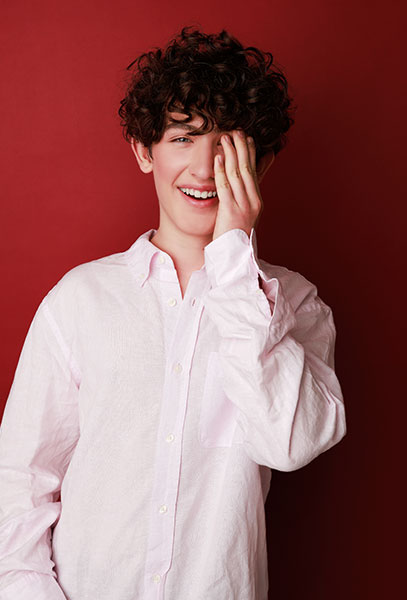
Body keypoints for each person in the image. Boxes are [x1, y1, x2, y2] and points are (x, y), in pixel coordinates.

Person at [0, 26, 346, 600]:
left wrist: (233, 262)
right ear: (145, 151)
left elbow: (290, 443)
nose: (205, 169)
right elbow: (19, 481)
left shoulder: (294, 304)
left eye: (227, 144)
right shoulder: (79, 301)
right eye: (184, 138)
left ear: (260, 164)